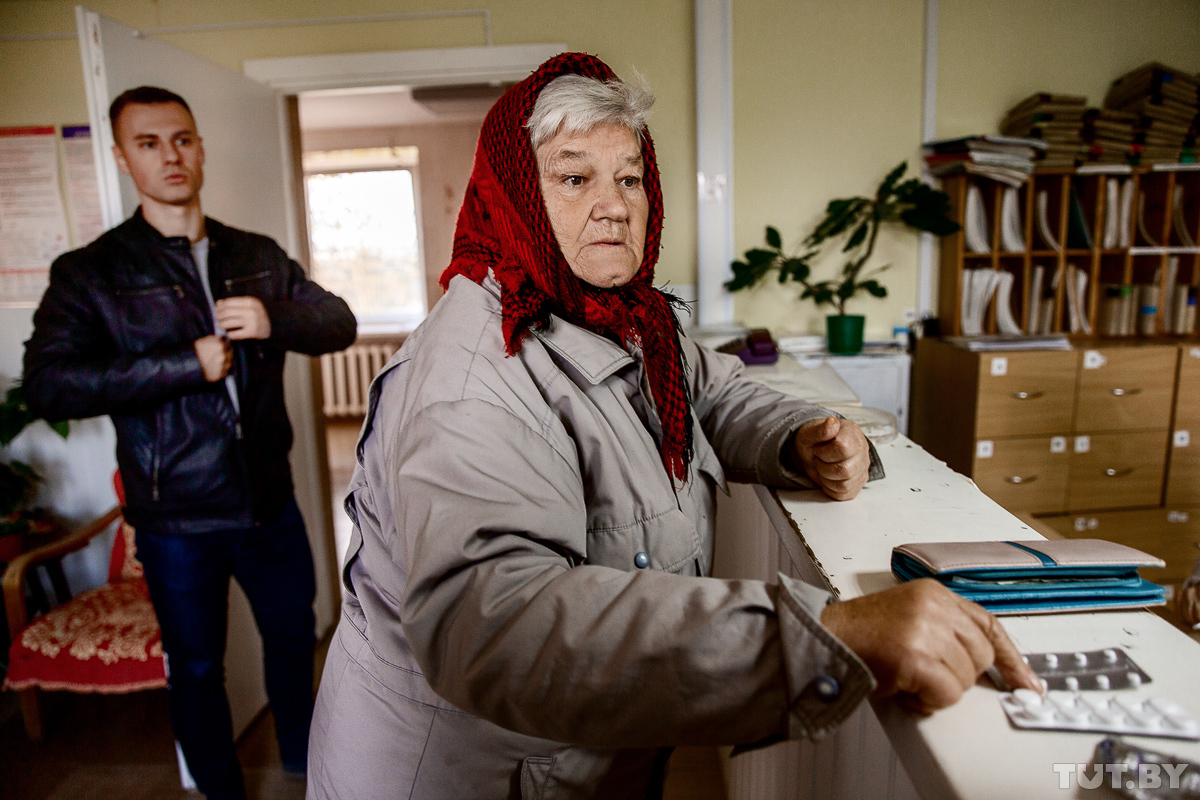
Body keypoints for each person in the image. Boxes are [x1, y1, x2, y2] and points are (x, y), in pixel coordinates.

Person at [306, 54, 1040, 799]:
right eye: (574, 178)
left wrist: (798, 436)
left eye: (629, 179)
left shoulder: (627, 316)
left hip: (573, 761)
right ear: (514, 195)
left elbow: (712, 392)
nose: (614, 206)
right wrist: (825, 638)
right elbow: (498, 626)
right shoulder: (473, 379)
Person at [23, 86, 357, 800]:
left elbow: (339, 323)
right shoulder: (92, 272)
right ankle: (220, 790)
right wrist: (182, 365)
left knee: (294, 641)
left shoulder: (256, 254)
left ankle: (307, 766)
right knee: (198, 668)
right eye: (148, 143)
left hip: (270, 503)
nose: (169, 156)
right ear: (123, 158)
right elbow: (49, 385)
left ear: (200, 147)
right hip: (175, 517)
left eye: (181, 139)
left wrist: (274, 319)